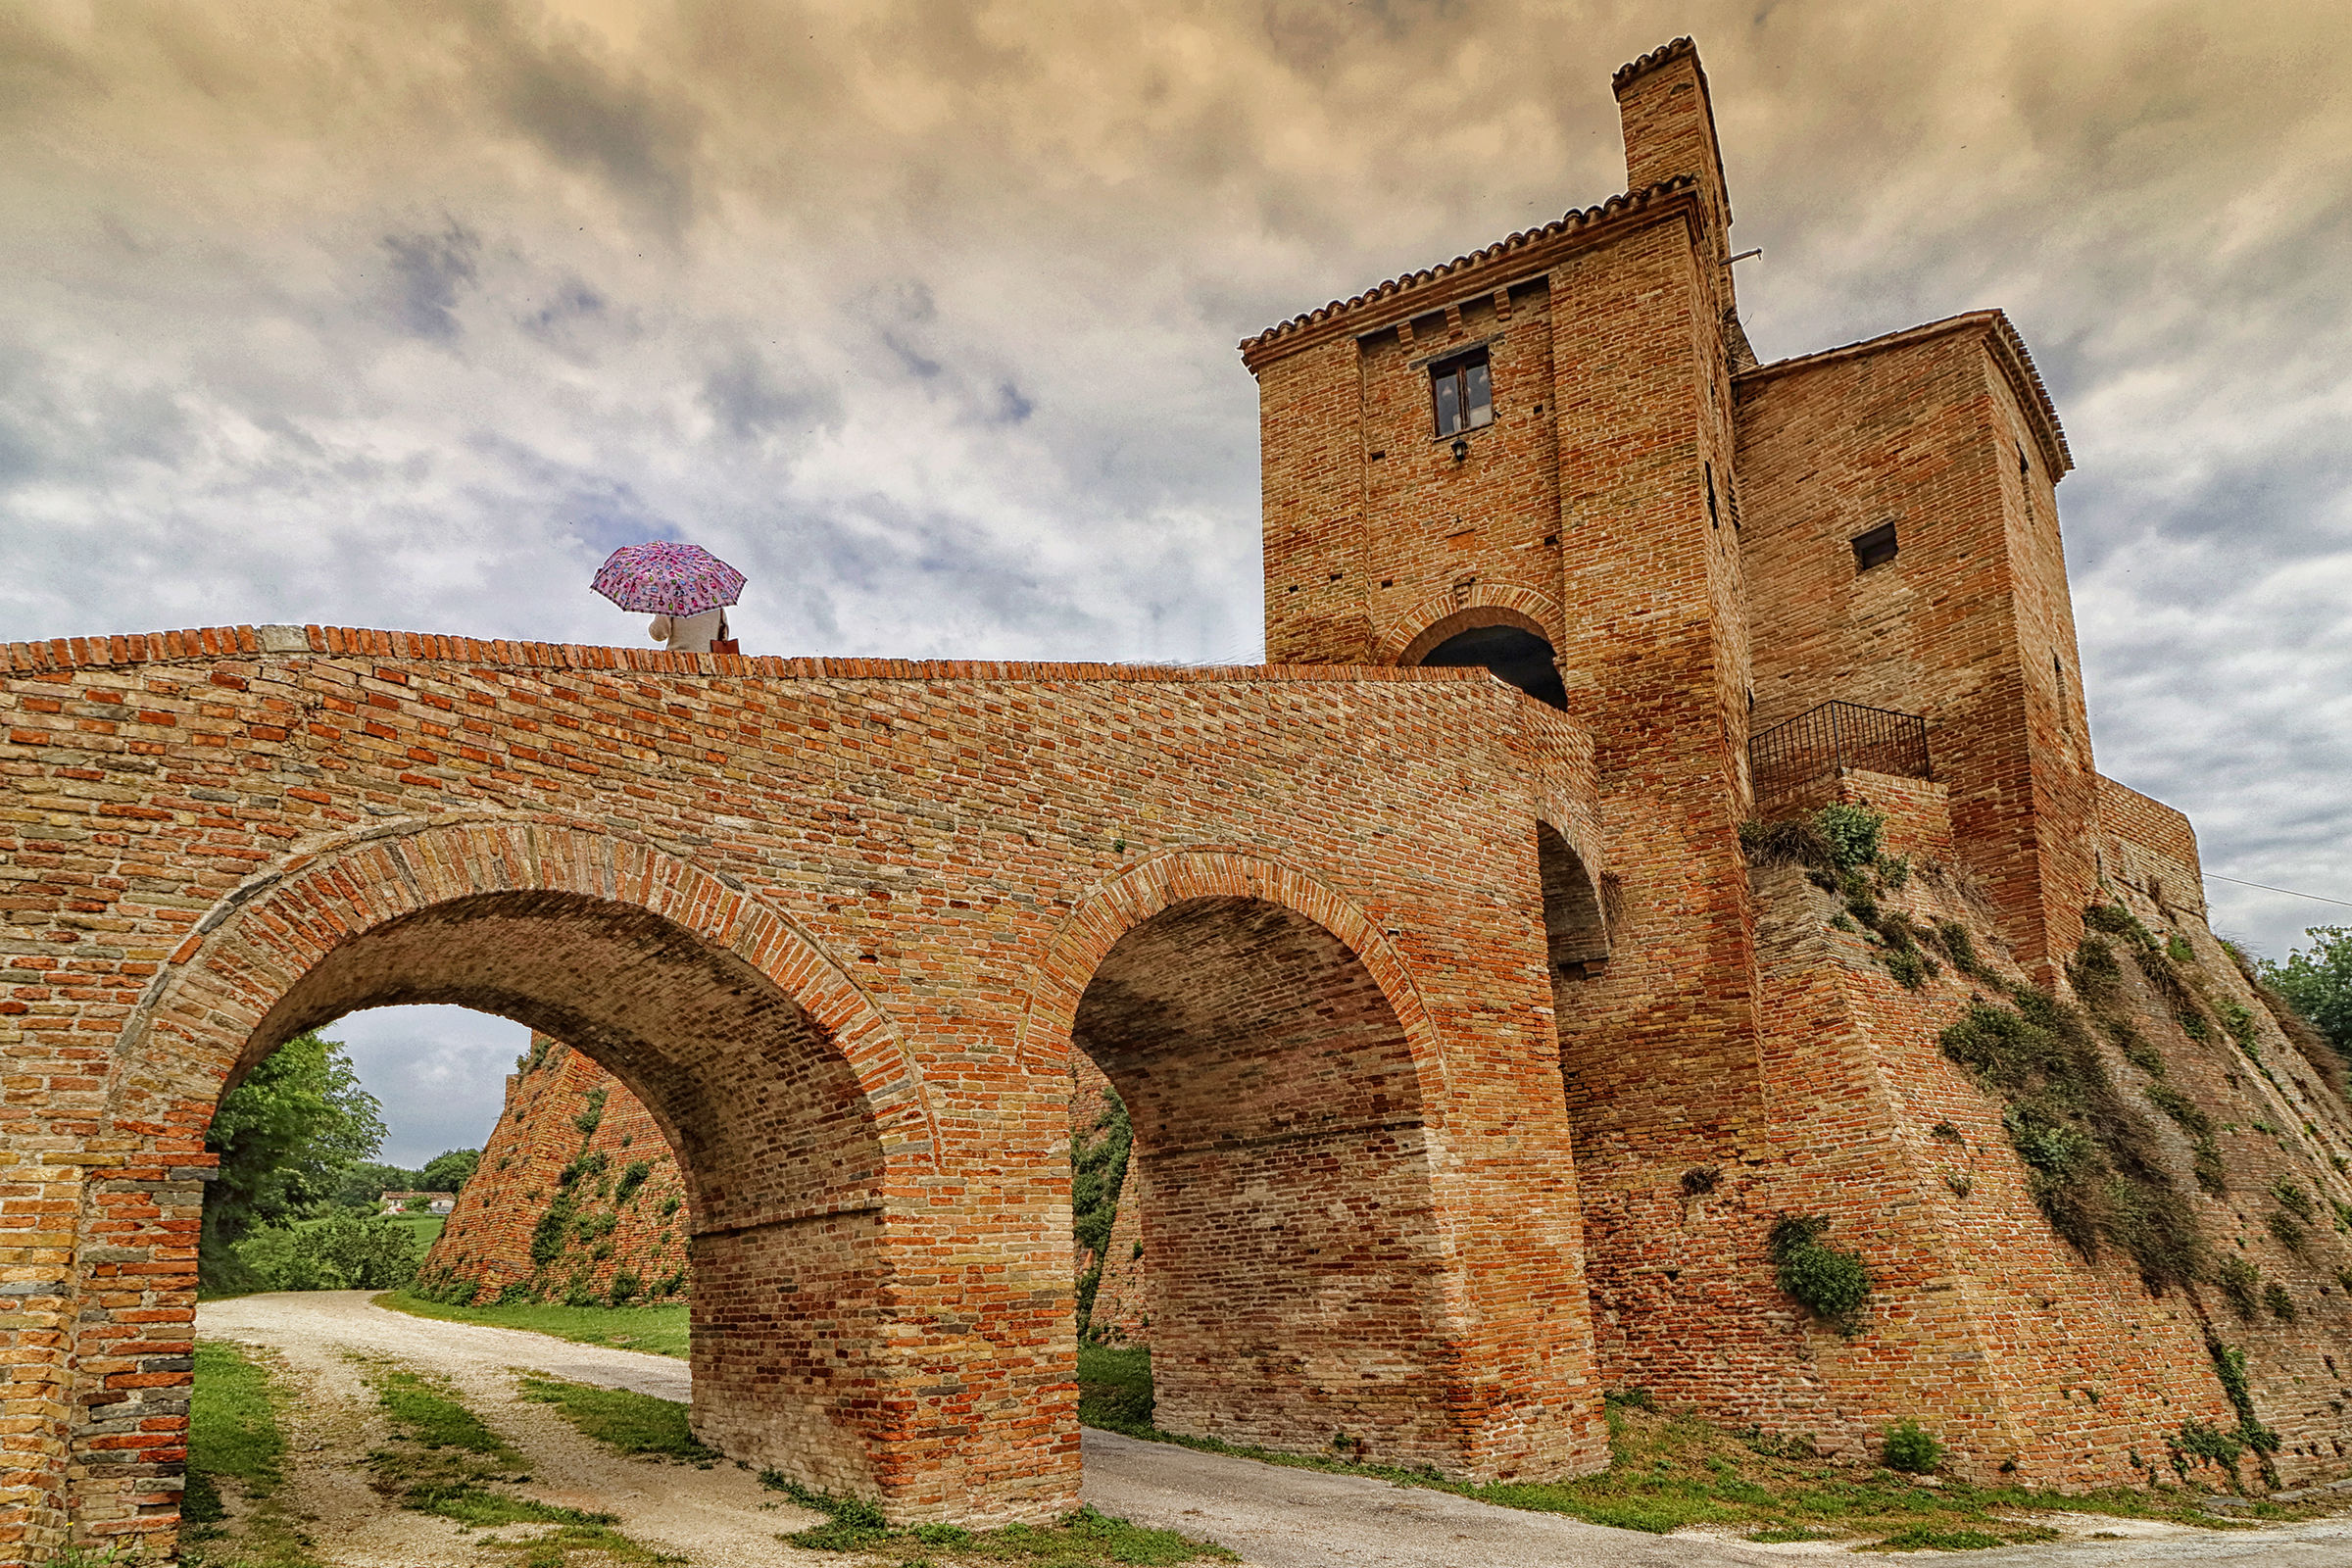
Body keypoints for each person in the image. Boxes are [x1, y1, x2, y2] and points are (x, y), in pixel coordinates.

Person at [649, 608, 728, 653]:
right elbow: (724, 639)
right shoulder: (718, 607)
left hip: (677, 663)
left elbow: (659, 634)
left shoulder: (672, 601)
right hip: (708, 666)